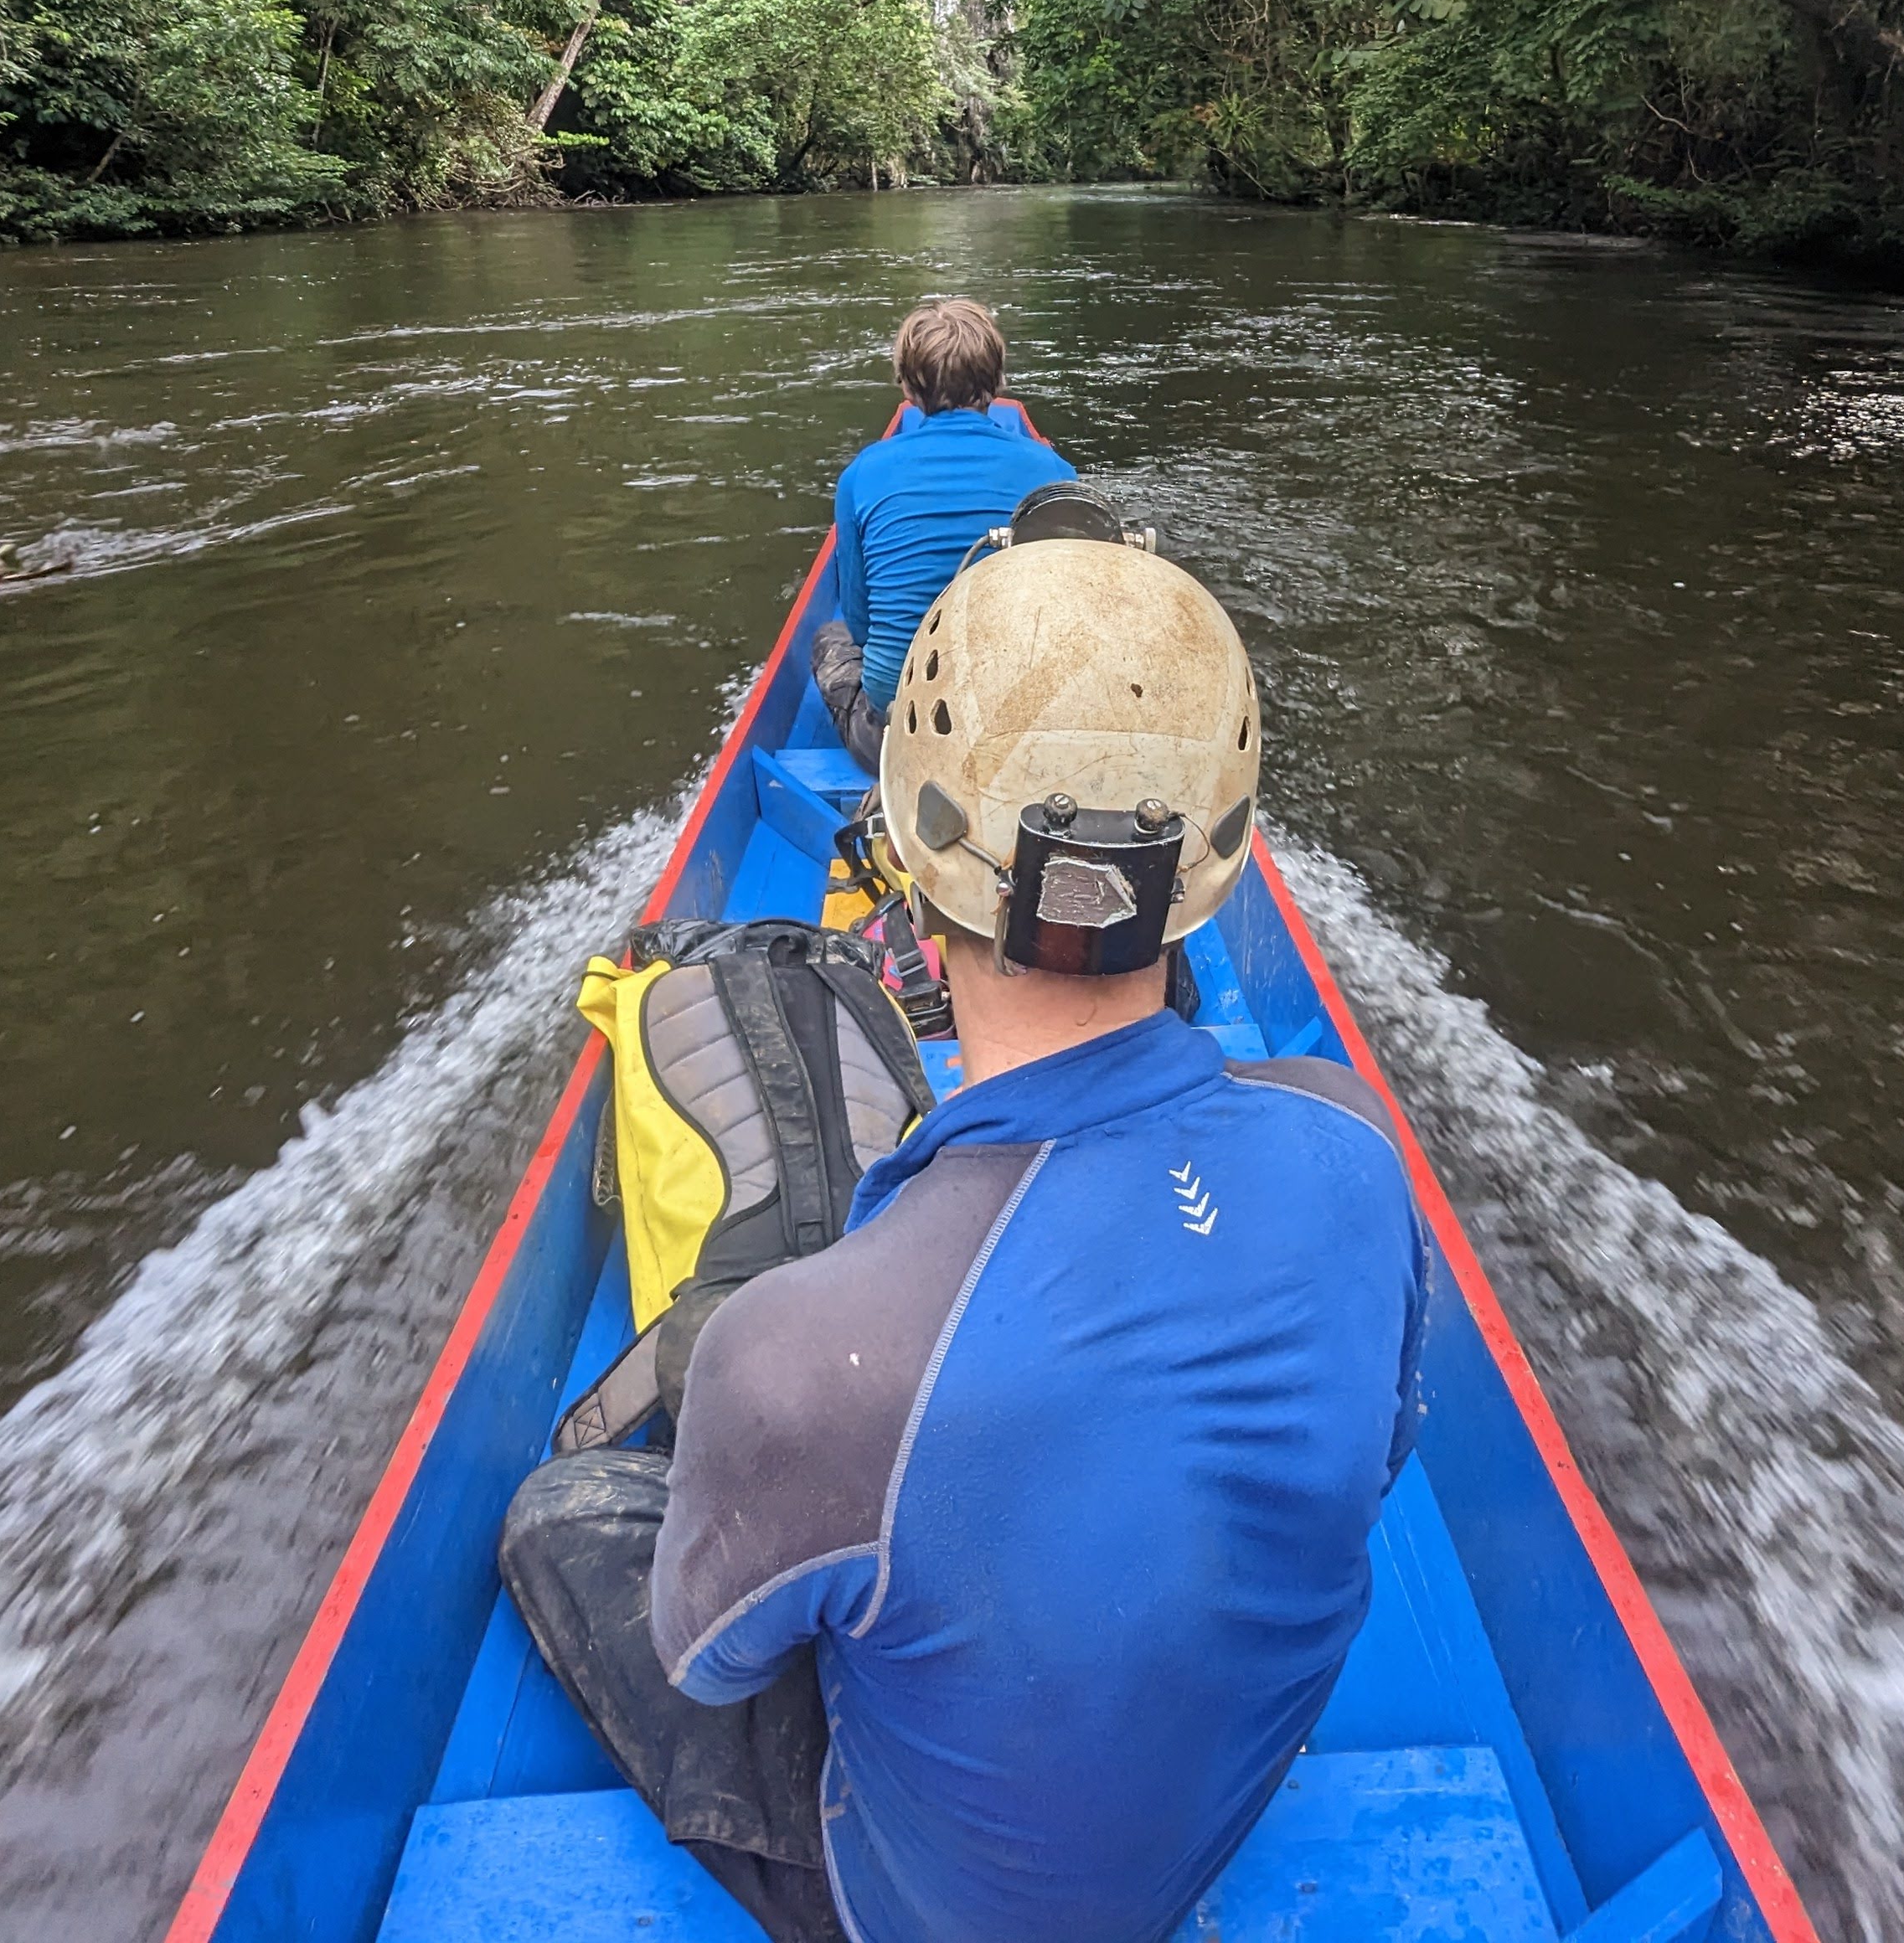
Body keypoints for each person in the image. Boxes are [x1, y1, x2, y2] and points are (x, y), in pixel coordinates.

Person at [503, 536, 1431, 1943]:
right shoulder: (1354, 1139)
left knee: (557, 1518)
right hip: (1219, 1801)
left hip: (927, 1906)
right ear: (1214, 868)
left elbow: (715, 1657)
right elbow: (1375, 1457)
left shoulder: (801, 1355)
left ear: (916, 888)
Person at [811, 297, 1072, 768]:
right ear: (997, 381)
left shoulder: (861, 475)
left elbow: (861, 622)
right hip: (1014, 728)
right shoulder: (1054, 472)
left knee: (830, 637)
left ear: (908, 388)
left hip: (903, 727)